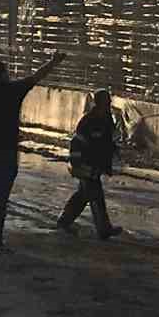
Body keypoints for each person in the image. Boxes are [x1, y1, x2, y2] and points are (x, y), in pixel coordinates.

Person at [0, 51, 64, 253]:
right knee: (1, 198)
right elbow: (36, 76)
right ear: (3, 75)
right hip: (7, 152)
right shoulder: (12, 91)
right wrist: (53, 62)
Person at [55, 88, 123, 240]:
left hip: (96, 164)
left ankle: (64, 221)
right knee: (95, 194)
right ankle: (103, 229)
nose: (108, 105)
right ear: (98, 103)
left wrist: (113, 155)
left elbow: (108, 141)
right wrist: (76, 163)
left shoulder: (107, 120)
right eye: (106, 102)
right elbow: (77, 142)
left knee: (83, 194)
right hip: (85, 164)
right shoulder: (87, 121)